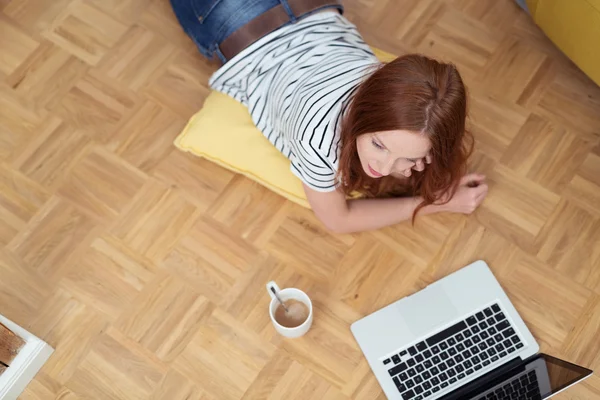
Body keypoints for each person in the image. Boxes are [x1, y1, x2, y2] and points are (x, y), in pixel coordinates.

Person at [170, 0, 489, 233]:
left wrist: (415, 161)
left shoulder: (401, 87)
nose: (384, 168)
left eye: (407, 160)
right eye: (378, 145)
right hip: (232, 14)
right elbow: (339, 219)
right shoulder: (320, 140)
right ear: (366, 113)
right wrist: (437, 204)